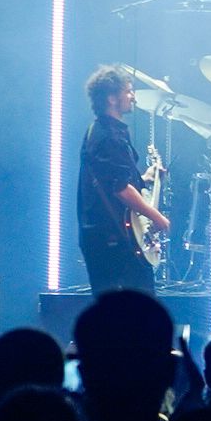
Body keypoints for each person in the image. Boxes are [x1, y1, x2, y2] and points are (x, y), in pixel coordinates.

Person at [78, 65, 170, 295]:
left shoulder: (110, 132)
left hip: (114, 234)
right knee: (130, 307)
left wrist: (145, 178)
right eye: (128, 91)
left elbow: (117, 179)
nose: (133, 96)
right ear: (111, 98)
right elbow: (119, 188)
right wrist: (155, 216)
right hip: (109, 237)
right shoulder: (107, 136)